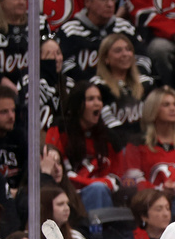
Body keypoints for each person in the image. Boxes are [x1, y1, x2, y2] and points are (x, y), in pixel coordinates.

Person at [124, 86, 175, 217]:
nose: (173, 108)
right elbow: (131, 180)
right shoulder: (138, 143)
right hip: (148, 201)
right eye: (166, 105)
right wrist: (159, 189)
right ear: (153, 109)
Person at [45, 82, 126, 212]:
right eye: (90, 99)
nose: (97, 103)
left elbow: (118, 178)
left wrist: (101, 184)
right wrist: (98, 183)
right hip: (68, 194)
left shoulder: (110, 138)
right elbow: (57, 172)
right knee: (98, 189)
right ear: (78, 104)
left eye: (99, 99)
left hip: (104, 194)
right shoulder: (61, 128)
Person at [57, 0, 151, 84]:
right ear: (88, 1)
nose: (110, 4)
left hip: (125, 87)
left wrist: (133, 80)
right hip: (84, 91)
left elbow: (143, 58)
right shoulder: (70, 30)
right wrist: (94, 83)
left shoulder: (125, 28)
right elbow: (65, 65)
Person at [92, 33, 149, 146]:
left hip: (145, 145)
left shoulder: (147, 83)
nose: (125, 54)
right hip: (114, 146)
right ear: (106, 59)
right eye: (118, 51)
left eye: (128, 50)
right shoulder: (98, 86)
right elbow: (107, 124)